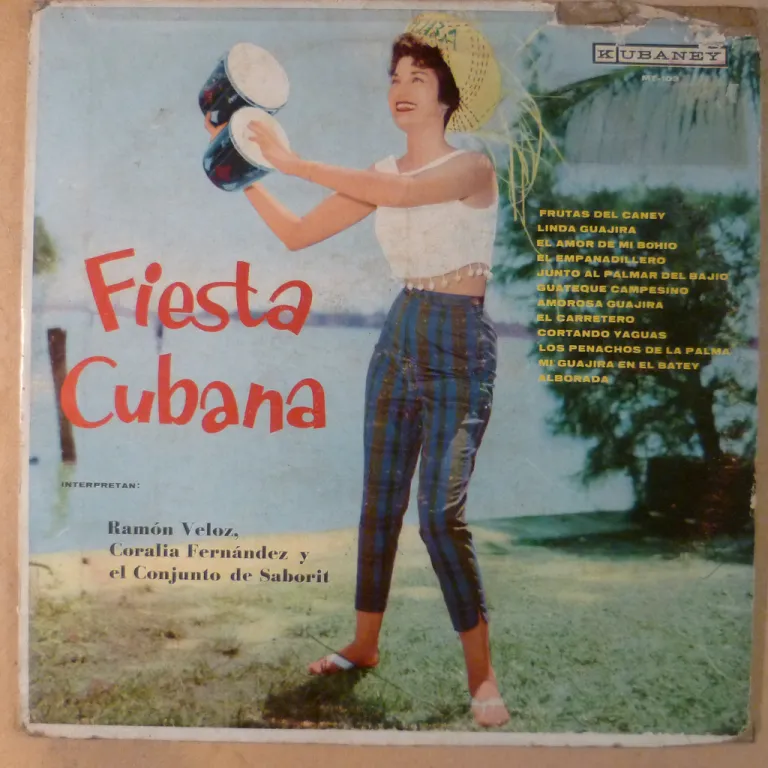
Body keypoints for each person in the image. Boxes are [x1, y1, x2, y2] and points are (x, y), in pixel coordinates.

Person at [206, 28, 509, 729]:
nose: (400, 89)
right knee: (378, 506)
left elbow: (398, 193)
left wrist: (293, 159)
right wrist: (237, 158)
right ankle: (363, 645)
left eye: (418, 79)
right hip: (400, 332)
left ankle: (482, 677)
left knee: (439, 516)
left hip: (460, 341)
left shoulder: (472, 167)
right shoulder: (379, 169)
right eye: (395, 76)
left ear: (447, 98)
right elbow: (297, 234)